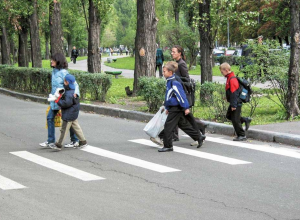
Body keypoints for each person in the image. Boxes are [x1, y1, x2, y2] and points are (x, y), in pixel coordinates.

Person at [158, 61, 205, 152]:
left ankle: (168, 146)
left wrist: (185, 107)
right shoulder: (170, 81)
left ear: (170, 72)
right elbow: (168, 96)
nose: (163, 73)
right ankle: (198, 137)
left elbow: (181, 95)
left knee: (168, 126)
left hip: (176, 107)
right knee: (183, 124)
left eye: (164, 71)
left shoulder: (174, 82)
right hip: (174, 107)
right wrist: (167, 107)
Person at [40, 53, 80, 149]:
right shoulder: (53, 71)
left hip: (64, 101)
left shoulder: (64, 73)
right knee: (50, 117)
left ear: (58, 61)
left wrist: (76, 94)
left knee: (68, 120)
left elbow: (75, 84)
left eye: (52, 60)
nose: (51, 61)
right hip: (55, 100)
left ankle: (75, 140)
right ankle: (51, 141)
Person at [49, 74, 87, 151]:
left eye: (65, 81)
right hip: (73, 113)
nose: (63, 82)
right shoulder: (73, 91)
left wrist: (58, 100)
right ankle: (83, 141)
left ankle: (58, 144)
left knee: (64, 129)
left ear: (68, 83)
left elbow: (66, 103)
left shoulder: (69, 93)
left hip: (68, 114)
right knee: (76, 128)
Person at [220, 62, 251, 141]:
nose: (222, 73)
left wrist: (234, 105)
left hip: (236, 102)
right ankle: (245, 119)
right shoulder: (230, 78)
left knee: (235, 119)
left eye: (222, 71)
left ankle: (242, 135)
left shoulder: (232, 79)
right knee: (229, 116)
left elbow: (234, 93)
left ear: (226, 70)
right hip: (234, 102)